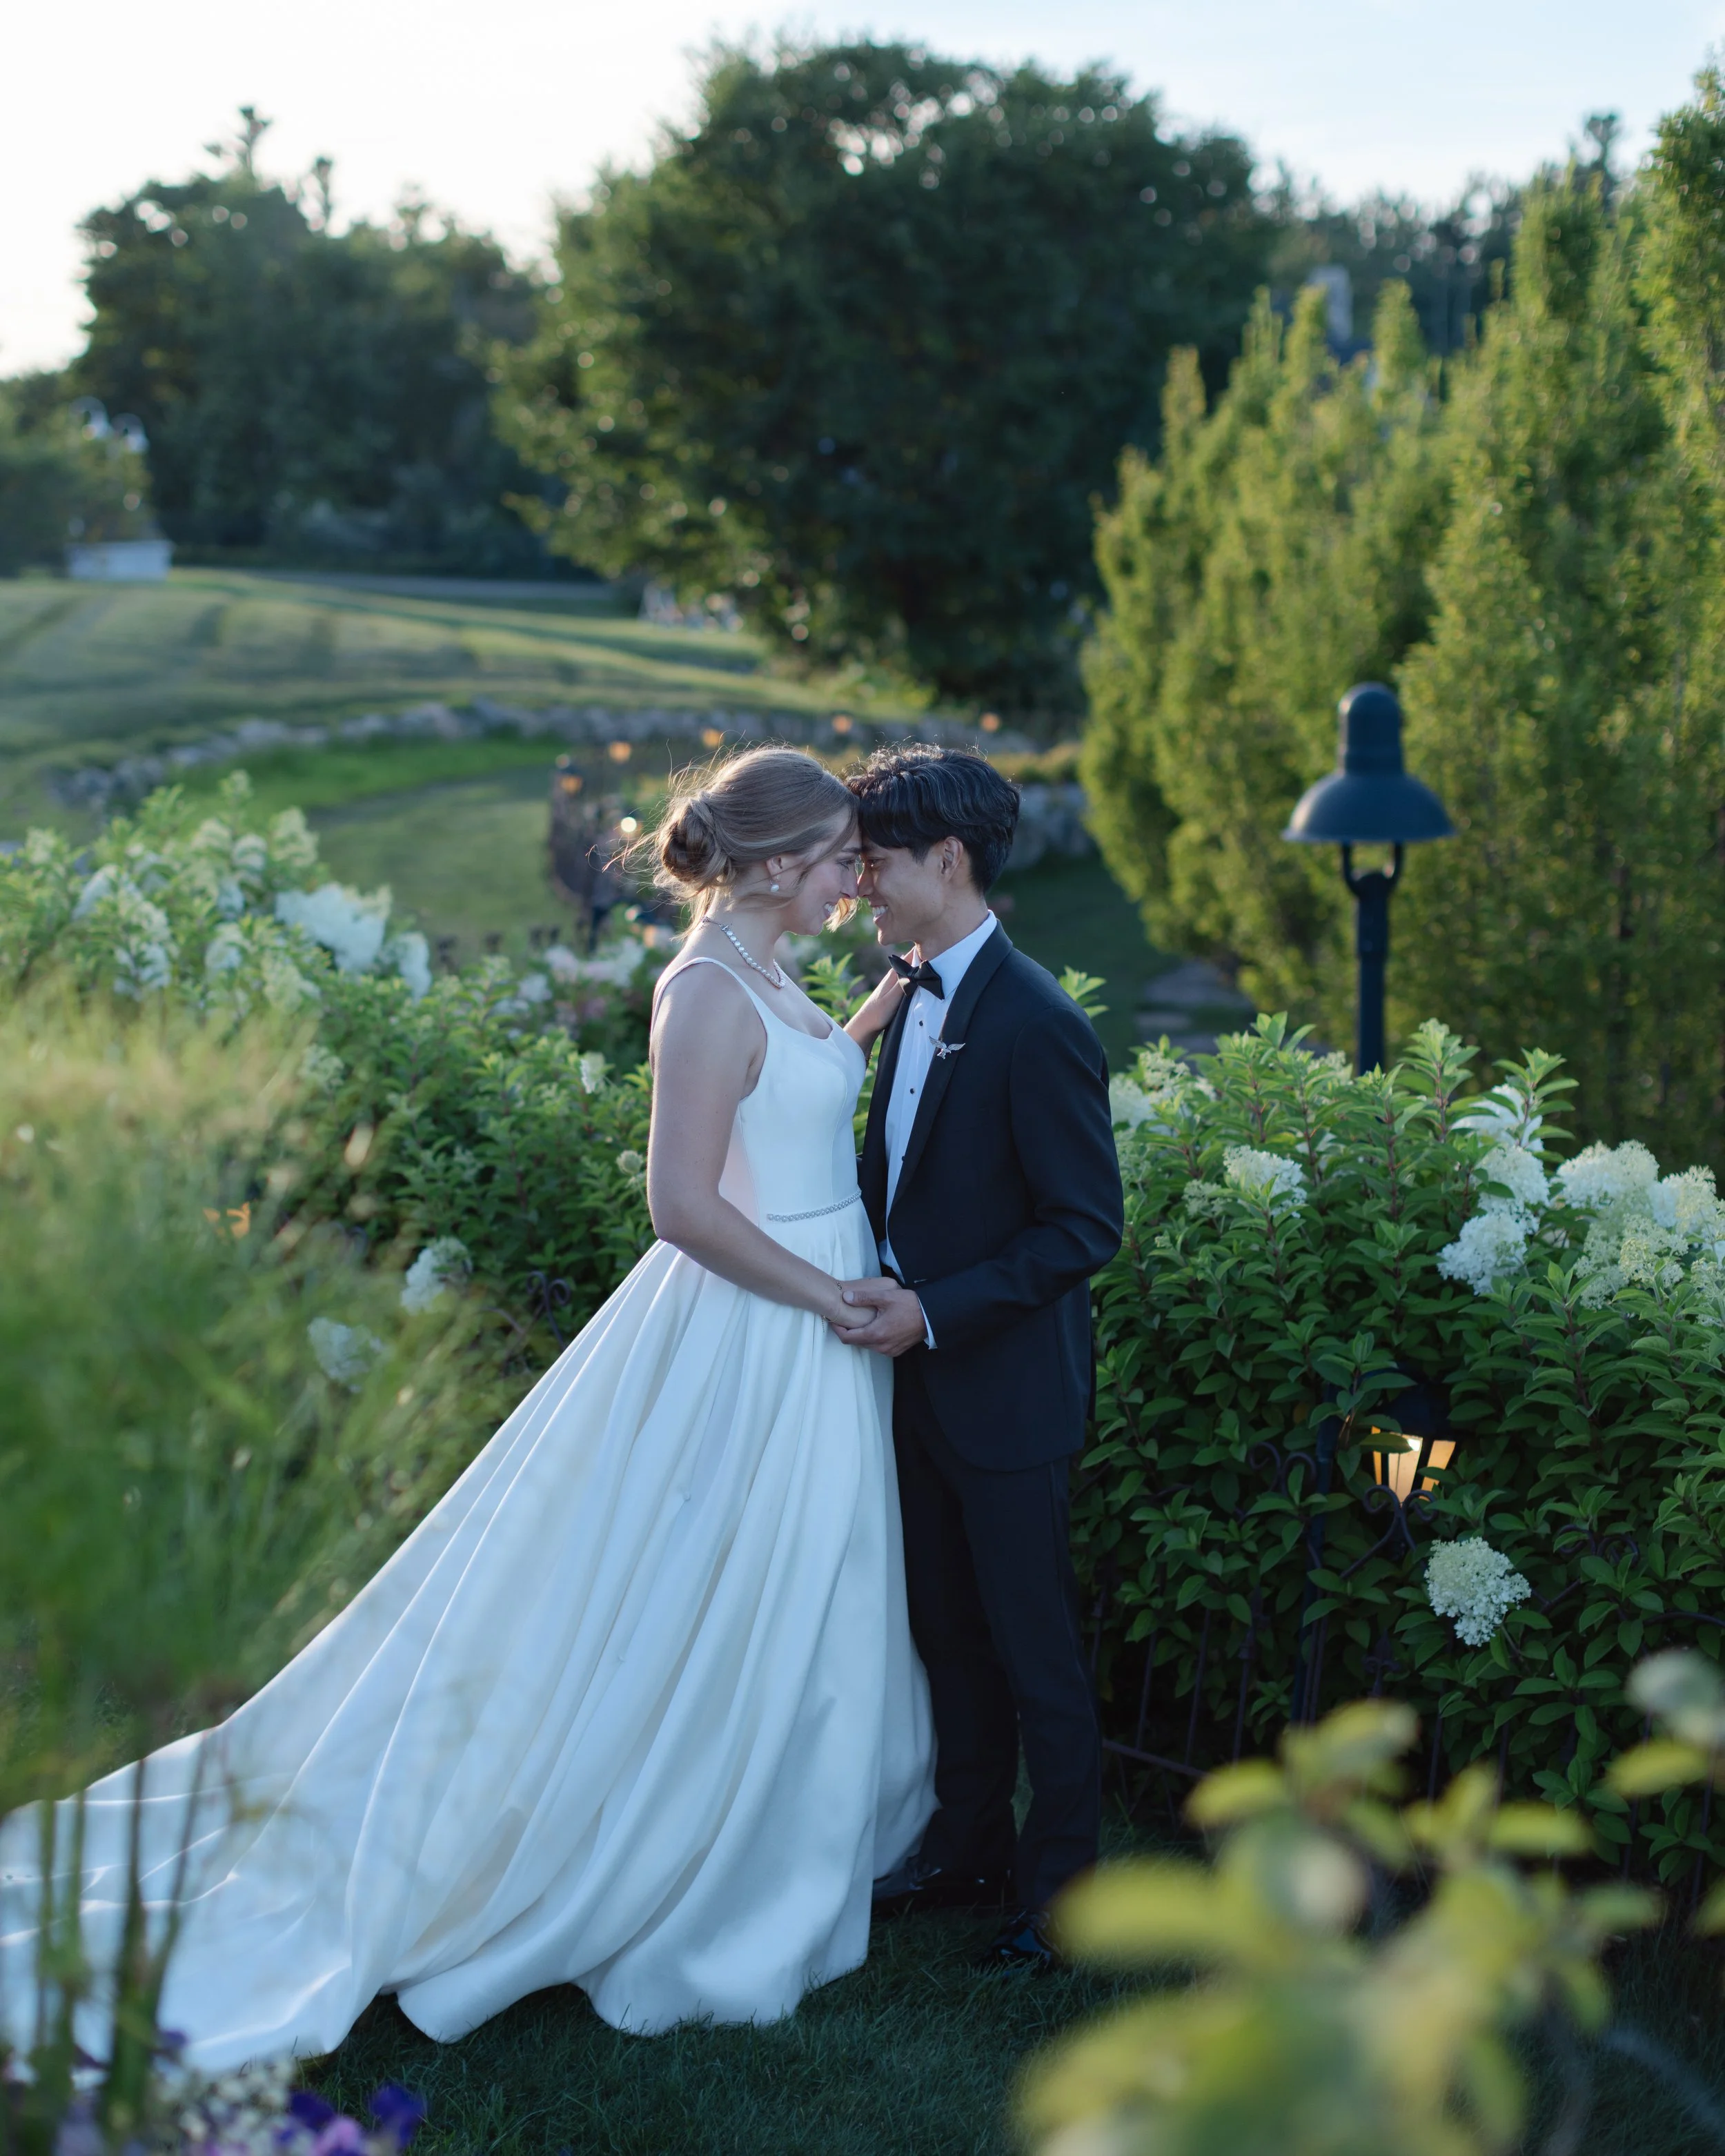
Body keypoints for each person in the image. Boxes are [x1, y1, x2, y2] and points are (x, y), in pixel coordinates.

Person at [0, 747, 934, 2068]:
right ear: (780, 863)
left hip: (812, 1315)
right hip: (765, 1319)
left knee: (800, 1573)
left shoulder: (772, 972)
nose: (855, 877)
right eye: (841, 857)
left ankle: (784, 1819)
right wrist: (828, 1295)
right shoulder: (705, 990)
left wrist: (878, 1012)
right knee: (715, 1576)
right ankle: (651, 1844)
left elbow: (790, 1098)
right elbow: (681, 1206)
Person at [839, 745, 1124, 1972]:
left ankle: (1063, 1901)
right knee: (946, 1634)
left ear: (947, 861)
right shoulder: (910, 991)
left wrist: (934, 1311)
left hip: (1005, 1396)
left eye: (876, 862)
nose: (860, 884)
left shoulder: (1040, 1022)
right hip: (912, 1385)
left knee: (1034, 1654)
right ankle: (965, 1850)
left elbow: (1084, 1228)